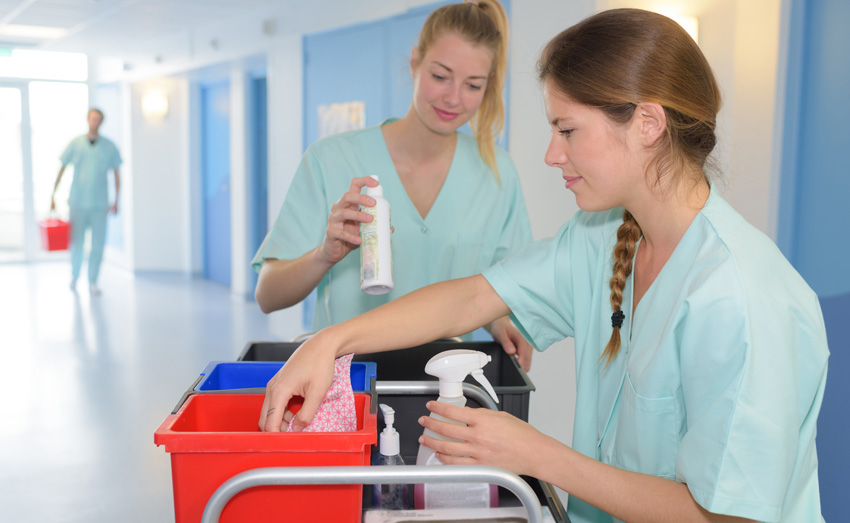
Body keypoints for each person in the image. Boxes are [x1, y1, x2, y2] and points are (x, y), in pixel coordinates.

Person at [258, 8, 829, 523]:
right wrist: (329, 342)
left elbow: (727, 516)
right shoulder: (603, 238)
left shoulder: (743, 298)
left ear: (649, 124)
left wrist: (536, 454)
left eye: (568, 130)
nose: (553, 154)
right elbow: (471, 298)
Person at [251, 0, 535, 369]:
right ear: (415, 62)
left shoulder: (497, 172)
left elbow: (502, 283)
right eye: (440, 76)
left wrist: (497, 320)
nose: (453, 98)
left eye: (473, 85)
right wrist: (324, 255)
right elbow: (268, 295)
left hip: (445, 384)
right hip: (346, 382)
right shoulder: (331, 159)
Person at [50, 108, 122, 296]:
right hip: (78, 202)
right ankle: (74, 276)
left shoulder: (109, 147)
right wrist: (53, 195)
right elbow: (62, 168)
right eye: (92, 118)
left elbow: (116, 174)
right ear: (87, 120)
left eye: (98, 119)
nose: (94, 122)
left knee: (98, 245)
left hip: (100, 204)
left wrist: (117, 200)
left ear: (101, 121)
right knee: (76, 242)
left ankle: (93, 281)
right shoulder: (75, 144)